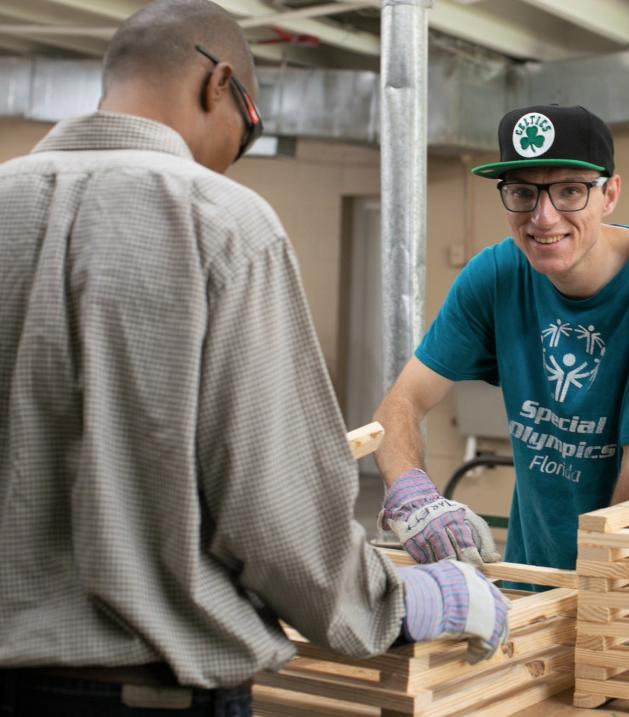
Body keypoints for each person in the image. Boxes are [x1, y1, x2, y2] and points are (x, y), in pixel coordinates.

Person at [0, 1, 506, 715]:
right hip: (147, 691)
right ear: (220, 86)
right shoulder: (220, 222)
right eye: (251, 125)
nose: (240, 146)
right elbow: (274, 511)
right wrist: (401, 600)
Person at [375, 104, 629, 580]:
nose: (543, 217)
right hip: (535, 572)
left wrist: (596, 586)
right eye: (523, 193)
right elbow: (401, 402)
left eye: (569, 191)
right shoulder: (497, 274)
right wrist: (414, 495)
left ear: (609, 195)